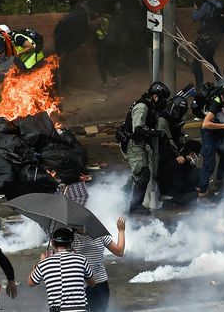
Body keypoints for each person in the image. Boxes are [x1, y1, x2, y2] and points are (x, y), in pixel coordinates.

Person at [117, 82, 170, 215]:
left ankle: (122, 198)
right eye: (162, 99)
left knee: (138, 175)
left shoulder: (149, 107)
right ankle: (134, 208)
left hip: (138, 144)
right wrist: (157, 133)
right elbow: (138, 130)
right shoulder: (142, 107)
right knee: (143, 174)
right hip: (133, 143)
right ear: (155, 96)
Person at [29, 227, 96, 312]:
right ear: (71, 242)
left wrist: (40, 262)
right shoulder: (81, 259)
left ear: (53, 243)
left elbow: (30, 283)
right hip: (81, 309)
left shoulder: (44, 264)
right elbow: (92, 283)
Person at [72, 216, 126, 312]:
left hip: (79, 285)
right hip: (99, 284)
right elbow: (119, 252)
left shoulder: (71, 240)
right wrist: (121, 230)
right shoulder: (100, 236)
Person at [157, 95, 200, 200]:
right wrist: (178, 155)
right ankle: (173, 192)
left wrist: (186, 152)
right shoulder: (163, 120)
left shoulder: (176, 120)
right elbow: (167, 140)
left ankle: (188, 180)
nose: (179, 114)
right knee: (176, 164)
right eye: (178, 111)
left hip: (174, 147)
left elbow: (181, 136)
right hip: (163, 151)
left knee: (196, 145)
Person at [191, 0, 224, 86]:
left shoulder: (207, 5)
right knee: (209, 59)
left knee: (196, 61)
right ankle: (220, 81)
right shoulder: (219, 3)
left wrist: (195, 9)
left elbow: (195, 17)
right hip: (217, 38)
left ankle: (199, 86)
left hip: (207, 38)